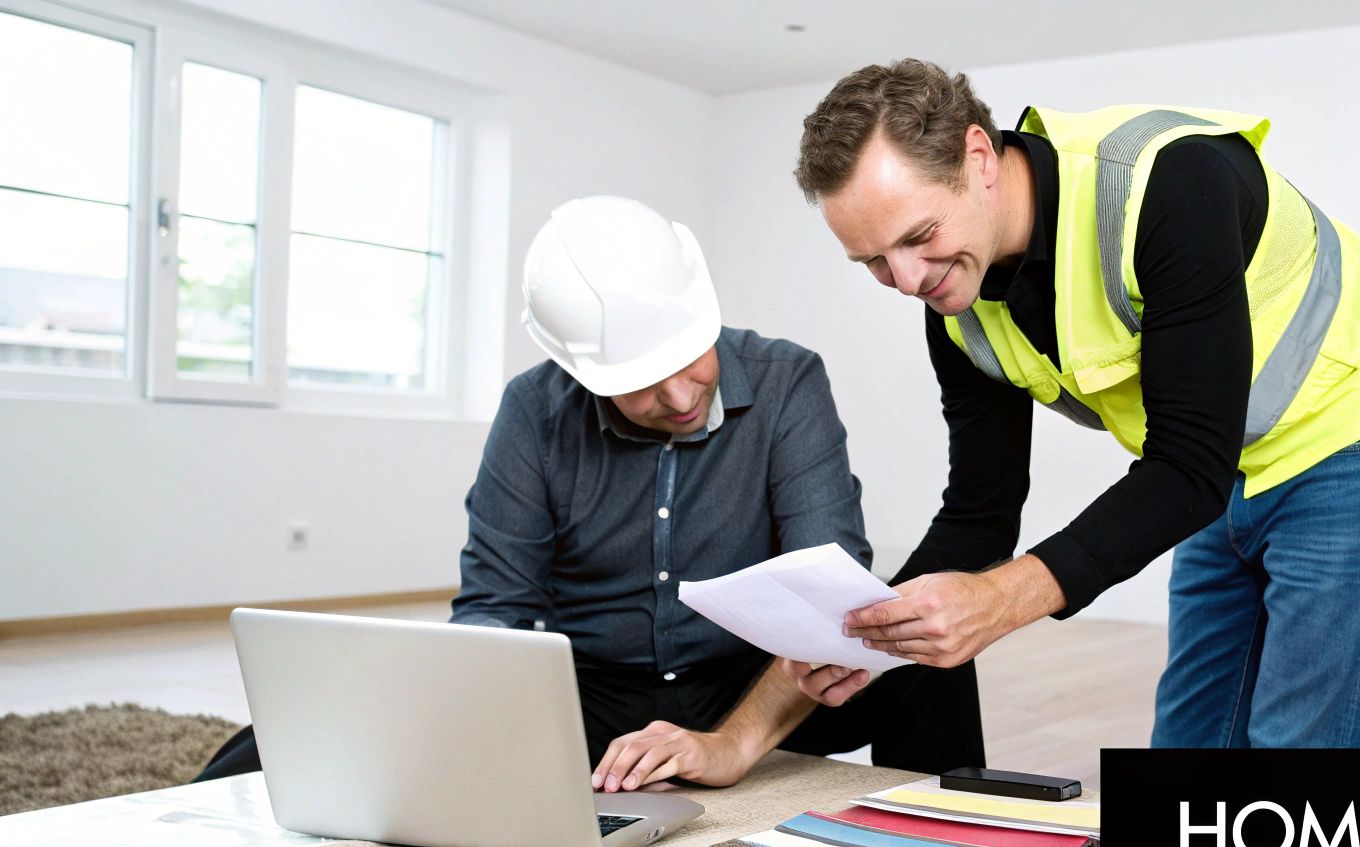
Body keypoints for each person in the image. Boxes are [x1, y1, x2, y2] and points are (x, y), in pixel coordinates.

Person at [195, 195, 983, 787]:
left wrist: (731, 741)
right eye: (640, 384)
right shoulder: (534, 413)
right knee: (290, 733)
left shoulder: (787, 382)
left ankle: (963, 840)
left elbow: (825, 598)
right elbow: (497, 607)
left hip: (757, 681)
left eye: (689, 359)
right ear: (577, 372)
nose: (679, 396)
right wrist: (469, 709)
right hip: (590, 695)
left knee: (927, 647)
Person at [785, 60, 1360, 749]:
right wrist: (870, 638)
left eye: (918, 236)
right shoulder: (957, 303)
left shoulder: (1167, 183)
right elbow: (979, 516)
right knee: (1189, 744)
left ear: (978, 157)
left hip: (1350, 434)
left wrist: (1002, 599)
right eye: (873, 261)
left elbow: (1188, 466)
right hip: (1225, 465)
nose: (906, 279)